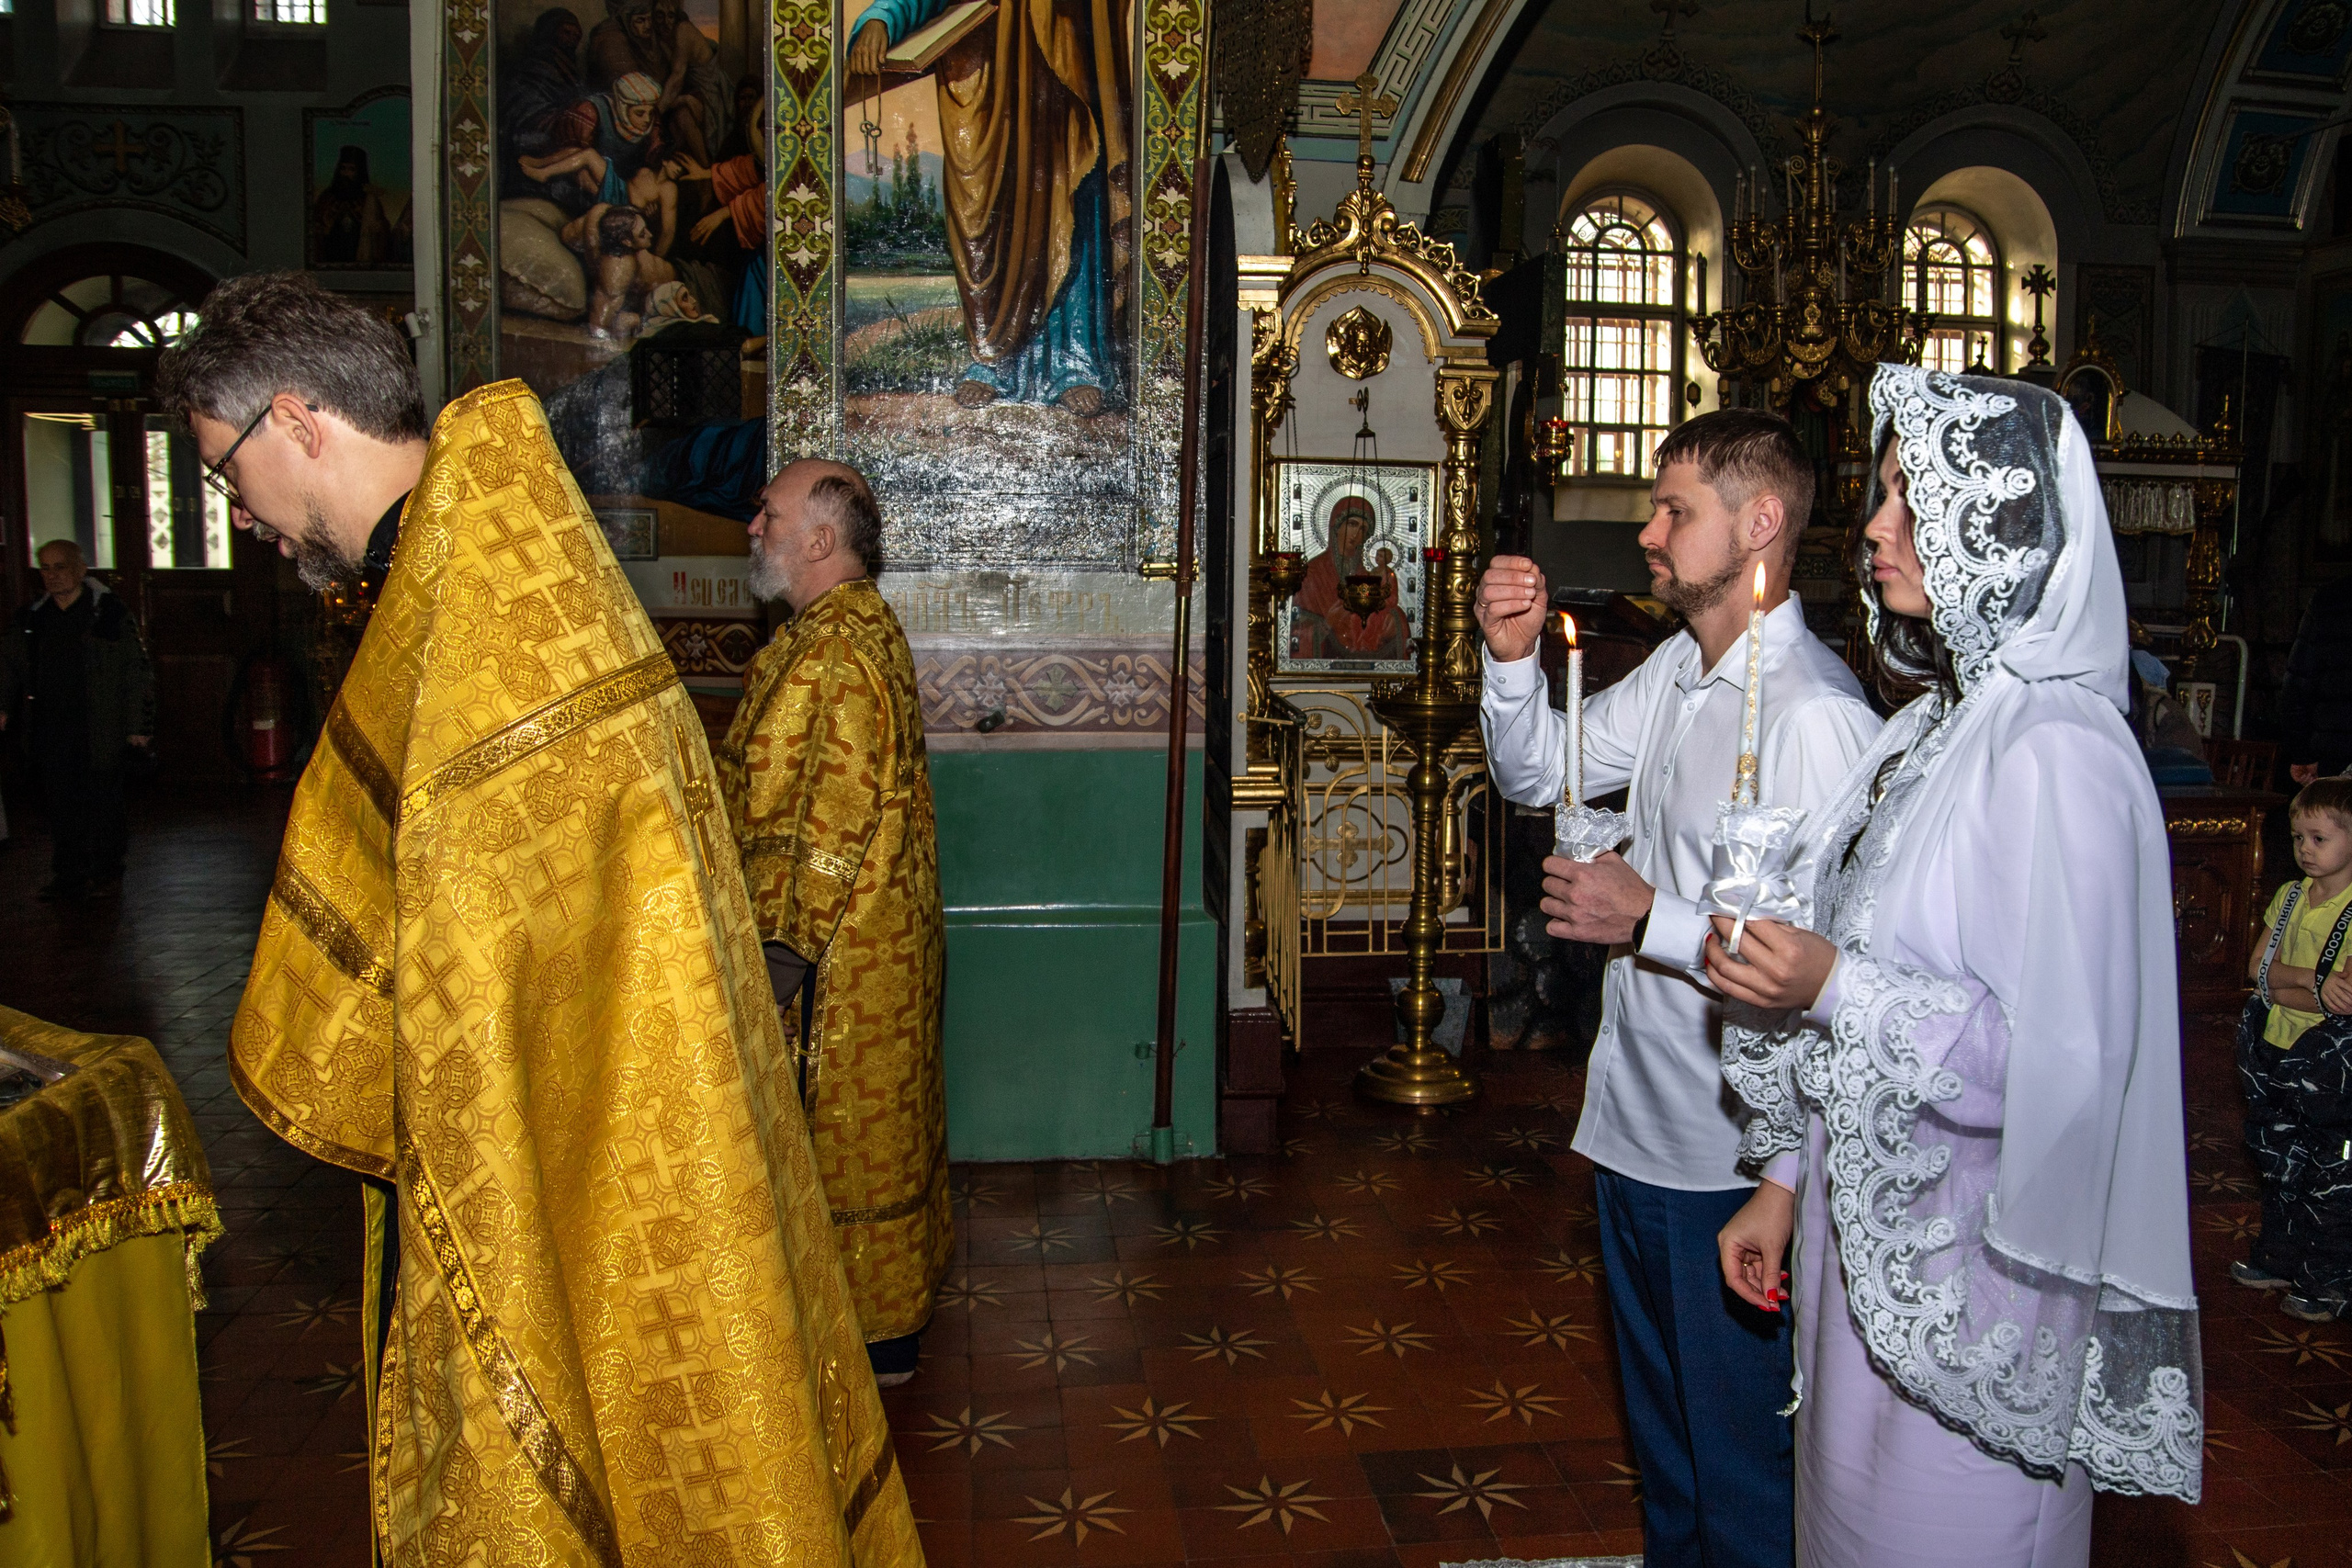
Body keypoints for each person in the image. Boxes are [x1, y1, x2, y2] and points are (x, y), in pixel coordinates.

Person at [164, 272, 920, 1563]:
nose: (243, 516)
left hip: (553, 1104)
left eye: (230, 473)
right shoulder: (486, 570)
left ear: (295, 419)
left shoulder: (482, 615)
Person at [1708, 366, 2203, 1567]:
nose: (1875, 529)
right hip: (1867, 1264)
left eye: (1909, 498)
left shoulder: (2060, 753)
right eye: (1884, 496)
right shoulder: (1935, 728)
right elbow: (1874, 965)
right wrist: (1782, 1174)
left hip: (1979, 1302)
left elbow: (2055, 1067)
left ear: (2001, 526)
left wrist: (1827, 984)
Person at [1476, 409, 1880, 1568]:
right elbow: (1543, 770)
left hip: (1735, 1156)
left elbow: (1827, 961)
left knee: (1742, 1468)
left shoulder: (1818, 718)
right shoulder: (1676, 670)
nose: (1647, 536)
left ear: (1758, 524)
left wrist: (1648, 915)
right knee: (1668, 1460)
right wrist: (1510, 664)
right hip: (1636, 1120)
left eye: (1673, 512)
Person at [718, 460, 951, 1389]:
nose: (752, 528)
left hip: (836, 963)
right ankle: (871, 1328)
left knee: (845, 1145)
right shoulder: (842, 632)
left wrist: (774, 962)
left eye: (766, 512)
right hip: (861, 946)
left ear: (818, 538)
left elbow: (825, 823)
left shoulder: (836, 652)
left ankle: (867, 1341)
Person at [847, 0, 1130, 412]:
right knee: (1001, 209)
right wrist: (882, 16)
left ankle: (1077, 361)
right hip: (996, 72)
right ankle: (996, 359)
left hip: (1067, 61)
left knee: (1072, 190)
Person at [2236, 774, 2352, 1323]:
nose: (2304, 848)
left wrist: (2285, 983)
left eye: (2319, 838)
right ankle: (2279, 1257)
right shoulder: (2288, 897)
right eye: (2298, 837)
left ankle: (2326, 1279)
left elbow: (2342, 1001)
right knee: (2278, 1163)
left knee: (2330, 1175)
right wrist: (2309, 981)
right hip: (2276, 1053)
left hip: (2333, 1069)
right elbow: (2255, 971)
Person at [0, 538, 153, 902]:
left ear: (81, 569)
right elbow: (8, 665)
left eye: (60, 567)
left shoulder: (107, 614)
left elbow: (134, 670)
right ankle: (67, 873)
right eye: (46, 568)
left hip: (99, 725)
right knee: (58, 802)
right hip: (52, 725)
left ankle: (105, 869)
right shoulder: (32, 619)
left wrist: (138, 726)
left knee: (102, 799)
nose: (52, 576)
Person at [1290, 495, 1409, 660]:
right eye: (1352, 524)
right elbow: (1295, 631)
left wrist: (1392, 620)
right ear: (1337, 525)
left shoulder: (1369, 577)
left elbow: (1383, 610)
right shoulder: (1312, 573)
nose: (1357, 533)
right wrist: (1327, 624)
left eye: (1363, 529)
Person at [2279, 573, 2352, 785]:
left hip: (2336, 755)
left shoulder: (2331, 598)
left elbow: (2297, 688)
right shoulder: (2330, 599)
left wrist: (2303, 754)